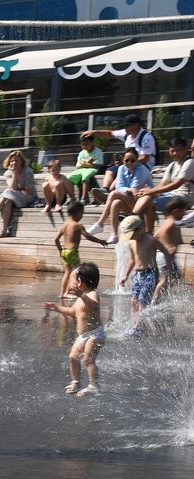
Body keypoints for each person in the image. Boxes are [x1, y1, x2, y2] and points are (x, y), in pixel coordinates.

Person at [43, 262, 103, 396]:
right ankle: (76, 381)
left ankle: (94, 385)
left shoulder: (92, 294)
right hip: (83, 335)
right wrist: (56, 308)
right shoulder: (80, 298)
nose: (73, 283)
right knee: (73, 357)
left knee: (88, 358)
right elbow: (72, 311)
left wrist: (82, 295)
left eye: (74, 280)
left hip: (95, 334)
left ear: (81, 281)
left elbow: (94, 305)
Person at [118, 214, 169, 336]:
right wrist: (125, 275)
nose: (131, 238)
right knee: (134, 300)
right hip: (137, 274)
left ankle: (137, 328)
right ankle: (134, 324)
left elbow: (165, 251)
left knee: (142, 300)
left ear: (140, 229)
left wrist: (168, 271)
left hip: (150, 273)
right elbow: (132, 260)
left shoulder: (151, 240)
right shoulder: (131, 243)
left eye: (132, 234)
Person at [87, 148, 154, 240]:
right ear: (123, 160)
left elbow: (135, 189)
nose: (129, 163)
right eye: (127, 160)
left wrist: (129, 189)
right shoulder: (121, 168)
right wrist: (129, 189)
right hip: (129, 199)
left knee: (113, 194)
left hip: (142, 203)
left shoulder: (141, 169)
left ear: (137, 160)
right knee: (115, 203)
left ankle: (100, 223)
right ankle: (114, 234)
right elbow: (120, 187)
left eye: (133, 160)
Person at [133, 137, 194, 233]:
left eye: (178, 150)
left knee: (149, 200)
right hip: (171, 196)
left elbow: (176, 185)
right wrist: (146, 192)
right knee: (146, 195)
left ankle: (135, 219)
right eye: (172, 150)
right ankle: (133, 217)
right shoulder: (172, 165)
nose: (175, 153)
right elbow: (162, 184)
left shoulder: (190, 163)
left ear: (185, 149)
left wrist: (151, 191)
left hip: (184, 199)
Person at [0, 150, 38, 237]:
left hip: (30, 198)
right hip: (15, 197)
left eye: (17, 160)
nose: (14, 162)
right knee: (8, 202)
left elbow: (28, 191)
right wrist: (15, 174)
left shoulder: (28, 172)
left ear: (21, 162)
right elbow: (13, 188)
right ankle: (4, 231)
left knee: (7, 192)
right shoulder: (8, 173)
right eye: (12, 161)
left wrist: (16, 176)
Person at [52, 201, 107, 297]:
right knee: (75, 272)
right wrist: (99, 241)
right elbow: (88, 236)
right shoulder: (78, 226)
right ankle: (72, 292)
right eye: (82, 214)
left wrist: (60, 250)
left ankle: (62, 293)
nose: (82, 216)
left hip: (65, 251)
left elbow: (56, 239)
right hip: (73, 252)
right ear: (78, 213)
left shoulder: (64, 225)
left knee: (67, 273)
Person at [150, 196, 187, 305]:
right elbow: (157, 236)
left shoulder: (170, 221)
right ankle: (154, 302)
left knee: (175, 278)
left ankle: (160, 298)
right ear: (176, 211)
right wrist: (168, 247)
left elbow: (155, 236)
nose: (184, 214)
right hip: (166, 256)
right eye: (183, 212)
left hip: (167, 256)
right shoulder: (171, 222)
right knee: (165, 280)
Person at [68, 133, 106, 203]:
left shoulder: (98, 151)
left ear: (92, 143)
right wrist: (87, 164)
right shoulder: (82, 153)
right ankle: (72, 197)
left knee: (85, 176)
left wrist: (84, 164)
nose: (84, 146)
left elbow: (97, 165)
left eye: (86, 144)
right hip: (82, 169)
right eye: (82, 144)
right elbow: (78, 165)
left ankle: (84, 198)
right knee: (70, 177)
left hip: (93, 169)